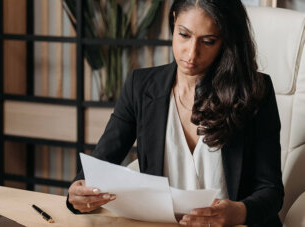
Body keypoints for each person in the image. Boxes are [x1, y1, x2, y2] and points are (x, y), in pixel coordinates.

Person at [67, 0, 284, 226]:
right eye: (184, 35)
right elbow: (100, 163)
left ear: (226, 41)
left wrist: (238, 212)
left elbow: (271, 191)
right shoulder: (140, 87)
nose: (191, 53)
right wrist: (79, 191)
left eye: (208, 41)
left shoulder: (254, 91)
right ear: (173, 22)